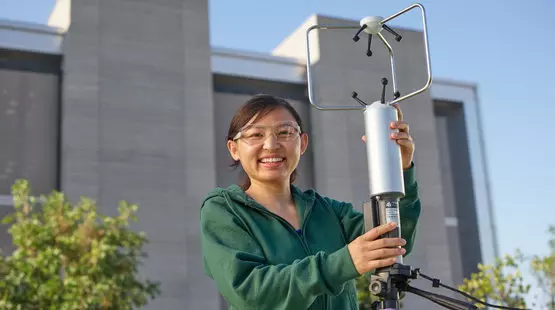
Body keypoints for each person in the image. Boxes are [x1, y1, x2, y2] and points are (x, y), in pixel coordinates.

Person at [200, 94, 421, 310]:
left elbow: (393, 242)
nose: (271, 145)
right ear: (234, 149)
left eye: (285, 132)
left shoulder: (329, 212)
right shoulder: (224, 210)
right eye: (255, 135)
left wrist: (398, 168)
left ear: (302, 143)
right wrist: (342, 263)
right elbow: (251, 293)